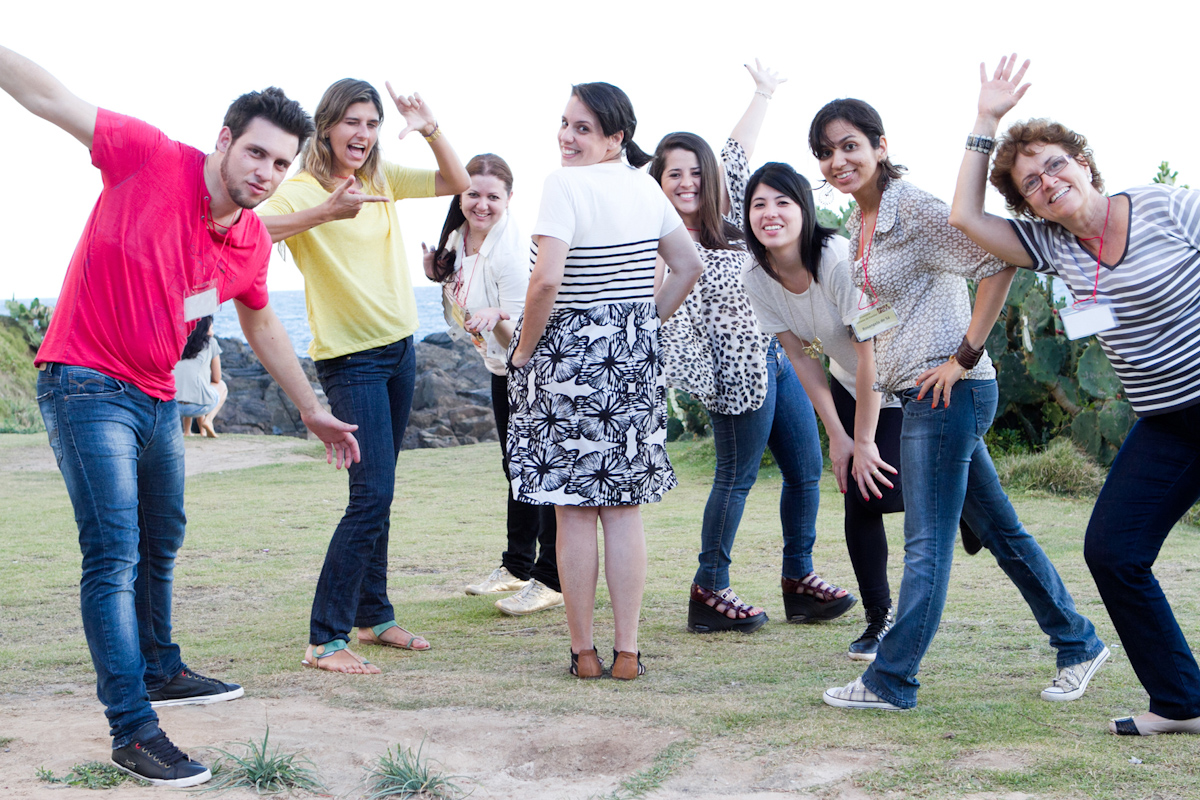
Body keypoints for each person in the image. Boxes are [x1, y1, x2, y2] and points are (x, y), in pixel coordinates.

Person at [1, 44, 359, 787]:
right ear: (224, 140)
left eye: (281, 163)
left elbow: (263, 324)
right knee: (113, 554)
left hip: (157, 395)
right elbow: (50, 98)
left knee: (162, 539)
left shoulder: (251, 238)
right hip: (84, 382)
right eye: (255, 152)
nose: (265, 172)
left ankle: (161, 668)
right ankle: (133, 730)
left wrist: (311, 409)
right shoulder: (148, 157)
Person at [806, 97, 1109, 712]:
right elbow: (879, 322)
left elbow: (999, 260)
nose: (838, 161)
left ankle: (891, 680)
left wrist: (964, 356)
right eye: (826, 152)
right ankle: (1078, 642)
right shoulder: (863, 225)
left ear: (880, 146)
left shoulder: (911, 208)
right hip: (918, 395)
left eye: (849, 146)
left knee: (926, 544)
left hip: (946, 393)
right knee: (1001, 532)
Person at [949, 54, 1200, 736]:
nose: (1048, 182)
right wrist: (984, 120)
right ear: (1028, 204)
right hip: (1167, 425)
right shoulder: (1051, 245)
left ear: (1084, 163)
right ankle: (1180, 702)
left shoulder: (1166, 205)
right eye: (1030, 183)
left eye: (1055, 165)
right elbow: (964, 214)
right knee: (1114, 551)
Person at [259, 78, 469, 674]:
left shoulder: (380, 177)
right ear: (326, 125)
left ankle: (373, 615)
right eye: (353, 121)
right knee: (370, 494)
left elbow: (455, 181)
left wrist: (429, 127)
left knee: (382, 490)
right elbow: (249, 230)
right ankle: (324, 637)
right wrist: (326, 211)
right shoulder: (299, 190)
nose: (364, 133)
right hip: (351, 360)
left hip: (401, 349)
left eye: (372, 123)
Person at [648, 61, 857, 635]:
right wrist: (706, 382)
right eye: (673, 174)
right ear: (657, 182)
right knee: (735, 479)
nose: (687, 182)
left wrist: (763, 92)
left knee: (806, 470)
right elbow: (664, 322)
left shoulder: (730, 216)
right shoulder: (661, 243)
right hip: (733, 376)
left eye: (695, 172)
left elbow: (736, 153)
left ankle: (800, 580)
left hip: (780, 356)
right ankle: (709, 589)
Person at [507, 81, 702, 680]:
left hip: (568, 355)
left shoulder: (563, 185)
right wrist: (641, 323)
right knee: (622, 511)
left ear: (616, 137)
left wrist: (523, 352)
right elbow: (688, 266)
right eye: (565, 123)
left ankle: (584, 654)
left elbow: (545, 282)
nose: (567, 136)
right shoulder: (646, 187)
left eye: (583, 128)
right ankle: (628, 653)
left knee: (572, 512)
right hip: (631, 356)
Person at [739, 161, 902, 660]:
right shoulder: (757, 277)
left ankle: (965, 502)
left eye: (782, 202)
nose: (770, 213)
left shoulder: (836, 259)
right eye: (759, 204)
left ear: (805, 210)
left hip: (905, 375)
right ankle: (880, 618)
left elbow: (874, 350)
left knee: (888, 487)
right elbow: (801, 356)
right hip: (852, 381)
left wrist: (865, 441)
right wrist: (837, 435)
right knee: (860, 494)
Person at [423, 154, 563, 616]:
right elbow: (461, 294)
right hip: (500, 367)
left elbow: (525, 335)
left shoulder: (511, 250)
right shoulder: (457, 237)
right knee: (515, 467)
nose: (481, 204)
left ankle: (551, 577)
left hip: (531, 367)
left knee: (540, 470)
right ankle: (517, 565)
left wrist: (497, 316)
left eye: (492, 197)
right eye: (473, 194)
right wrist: (435, 272)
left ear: (509, 198)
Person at [174, 316, 227, 438]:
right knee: (221, 386)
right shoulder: (211, 343)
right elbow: (217, 378)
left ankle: (187, 431)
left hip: (172, 405)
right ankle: (208, 420)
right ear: (205, 328)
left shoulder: (179, 341)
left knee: (189, 385)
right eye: (211, 327)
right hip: (198, 406)